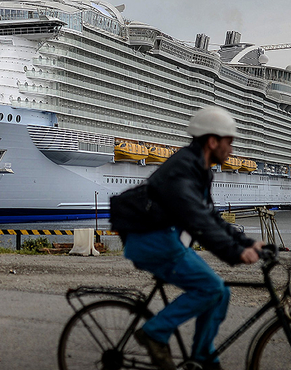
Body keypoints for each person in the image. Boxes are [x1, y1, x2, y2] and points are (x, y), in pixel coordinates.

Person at [110, 106, 264, 370]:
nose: (232, 150)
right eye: (229, 142)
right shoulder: (182, 170)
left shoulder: (199, 168)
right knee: (211, 288)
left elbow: (210, 217)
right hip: (151, 241)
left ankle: (201, 357)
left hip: (167, 239)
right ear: (212, 141)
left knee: (222, 292)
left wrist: (246, 243)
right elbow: (197, 219)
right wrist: (233, 252)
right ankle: (154, 332)